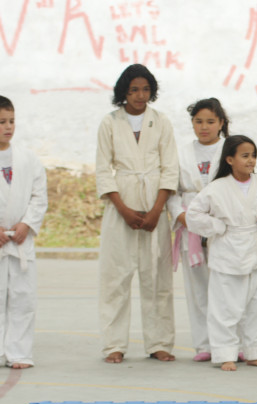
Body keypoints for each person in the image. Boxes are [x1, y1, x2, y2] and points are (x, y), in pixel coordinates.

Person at [96, 64, 178, 364]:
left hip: (155, 202)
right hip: (121, 204)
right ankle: (114, 344)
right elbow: (103, 170)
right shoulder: (110, 123)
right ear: (123, 92)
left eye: (145, 89)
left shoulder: (161, 122)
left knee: (157, 278)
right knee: (115, 278)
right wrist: (124, 210)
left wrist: (157, 209)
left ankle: (159, 342)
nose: (140, 96)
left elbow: (170, 169)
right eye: (133, 90)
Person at [185, 136, 257, 372]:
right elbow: (193, 215)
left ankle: (256, 352)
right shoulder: (216, 188)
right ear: (230, 159)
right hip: (228, 252)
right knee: (226, 307)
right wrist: (217, 227)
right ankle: (225, 353)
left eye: (253, 155)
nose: (251, 160)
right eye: (245, 156)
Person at [167, 98, 228, 362]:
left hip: (222, 226)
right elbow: (172, 190)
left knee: (227, 288)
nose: (204, 127)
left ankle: (230, 343)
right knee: (197, 289)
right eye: (198, 121)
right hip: (190, 225)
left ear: (221, 123)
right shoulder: (181, 153)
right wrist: (180, 215)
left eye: (210, 122)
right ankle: (204, 344)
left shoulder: (232, 148)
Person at [0, 96, 47, 369]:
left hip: (20, 240)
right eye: (1, 122)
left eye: (11, 121)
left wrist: (26, 224)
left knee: (22, 297)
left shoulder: (28, 159)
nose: (8, 127)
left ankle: (19, 353)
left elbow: (39, 196)